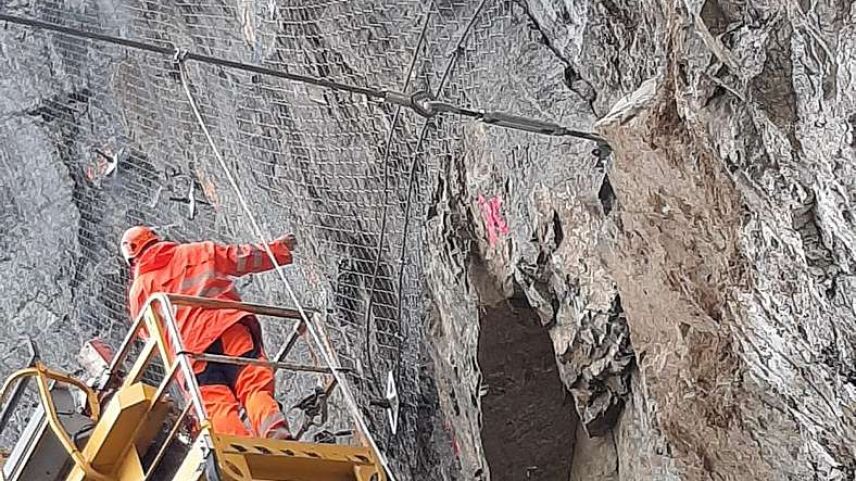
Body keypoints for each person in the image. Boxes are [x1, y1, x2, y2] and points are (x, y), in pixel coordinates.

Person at [121, 225, 296, 439]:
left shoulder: (139, 291)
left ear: (132, 259)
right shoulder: (196, 251)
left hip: (190, 352)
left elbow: (152, 339)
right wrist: (278, 249)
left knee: (215, 404)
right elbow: (240, 257)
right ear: (156, 239)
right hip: (228, 328)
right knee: (252, 384)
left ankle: (240, 450)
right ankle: (275, 431)